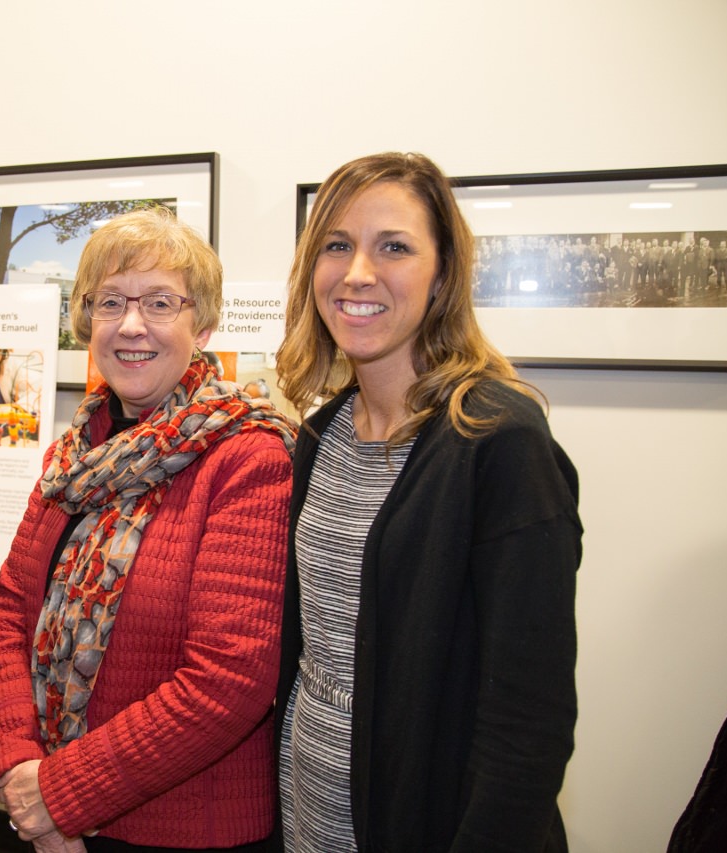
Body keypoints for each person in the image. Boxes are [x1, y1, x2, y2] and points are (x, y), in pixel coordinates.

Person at [273, 152, 582, 852]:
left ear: (442, 274)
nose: (358, 273)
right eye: (337, 245)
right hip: (308, 813)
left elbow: (527, 727)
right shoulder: (321, 436)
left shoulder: (501, 444)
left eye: (394, 247)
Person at [0, 206, 297, 852]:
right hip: (46, 812)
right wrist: (18, 766)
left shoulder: (249, 457)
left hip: (180, 833)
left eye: (159, 302)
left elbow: (229, 679)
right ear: (85, 319)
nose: (131, 325)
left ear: (202, 323)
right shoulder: (73, 458)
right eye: (109, 302)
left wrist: (61, 793)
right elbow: (9, 613)